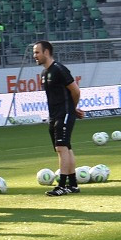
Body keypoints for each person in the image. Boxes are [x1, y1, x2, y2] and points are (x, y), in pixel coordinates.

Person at [34, 40, 84, 196]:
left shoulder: (59, 69)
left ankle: (62, 185)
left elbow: (76, 91)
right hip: (54, 115)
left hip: (64, 113)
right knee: (65, 148)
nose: (34, 55)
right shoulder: (44, 74)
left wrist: (72, 108)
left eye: (37, 52)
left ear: (46, 52)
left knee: (61, 148)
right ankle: (73, 184)